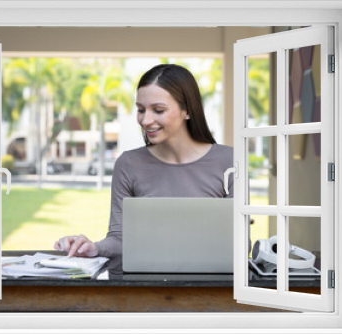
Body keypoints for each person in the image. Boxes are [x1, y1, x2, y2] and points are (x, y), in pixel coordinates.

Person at [54, 64, 233, 276]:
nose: (145, 120)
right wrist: (94, 248)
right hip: (144, 288)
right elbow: (120, 239)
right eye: (141, 109)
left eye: (158, 110)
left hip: (212, 288)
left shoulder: (229, 161)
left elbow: (239, 243)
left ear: (187, 111)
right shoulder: (128, 164)